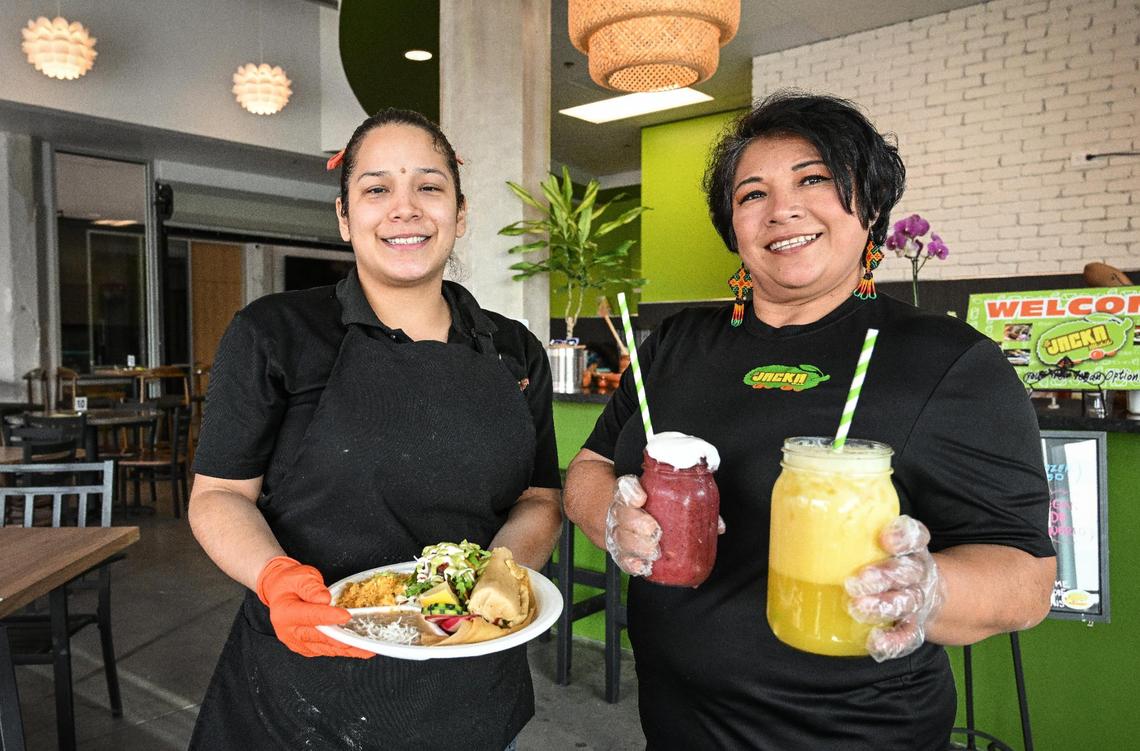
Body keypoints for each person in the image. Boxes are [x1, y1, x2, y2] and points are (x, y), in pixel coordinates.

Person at [563, 91, 1056, 750]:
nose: (783, 208)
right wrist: (614, 521)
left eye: (814, 178)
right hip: (675, 725)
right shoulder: (678, 342)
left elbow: (1026, 579)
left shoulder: (946, 360)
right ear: (733, 226)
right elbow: (591, 468)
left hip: (855, 733)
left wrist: (927, 589)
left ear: (871, 206)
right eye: (751, 194)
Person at [187, 108, 562, 750]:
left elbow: (539, 499)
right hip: (305, 678)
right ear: (344, 217)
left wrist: (501, 573)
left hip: (469, 677)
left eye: (429, 186)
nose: (405, 208)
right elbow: (219, 496)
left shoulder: (515, 349)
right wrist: (276, 578)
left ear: (460, 213)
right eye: (377, 188)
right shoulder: (273, 334)